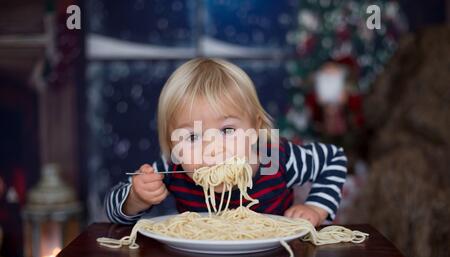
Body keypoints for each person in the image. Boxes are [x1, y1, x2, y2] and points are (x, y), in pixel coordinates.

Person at [105, 58, 347, 227]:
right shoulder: (173, 168)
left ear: (256, 129)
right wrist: (136, 198)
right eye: (192, 136)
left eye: (227, 130)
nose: (212, 148)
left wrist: (316, 209)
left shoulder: (277, 157)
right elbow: (112, 210)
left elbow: (333, 159)